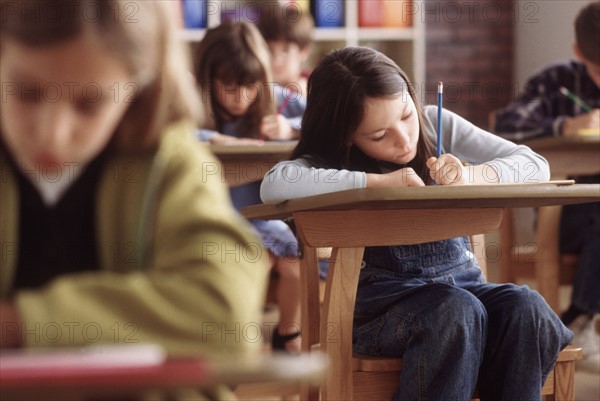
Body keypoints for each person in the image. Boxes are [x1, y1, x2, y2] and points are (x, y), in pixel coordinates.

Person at [260, 46, 573, 400]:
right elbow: (275, 184)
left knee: (526, 308)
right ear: (347, 136)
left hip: (464, 293)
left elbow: (536, 165)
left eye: (405, 115)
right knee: (455, 312)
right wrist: (377, 184)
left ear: (410, 96)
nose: (404, 139)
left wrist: (474, 175)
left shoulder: (436, 124)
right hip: (382, 312)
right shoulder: (333, 156)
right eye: (379, 135)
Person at [0, 1, 268, 398]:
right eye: (26, 93)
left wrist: (20, 324)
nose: (52, 134)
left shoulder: (169, 161)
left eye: (89, 104)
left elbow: (226, 316)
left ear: (138, 90)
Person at [493, 2, 600, 372]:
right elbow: (505, 127)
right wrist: (564, 127)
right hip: (565, 217)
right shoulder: (557, 81)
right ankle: (581, 321)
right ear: (578, 54)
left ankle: (580, 316)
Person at [193, 21, 304, 353]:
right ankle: (240, 339)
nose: (240, 98)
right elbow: (167, 131)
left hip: (264, 220)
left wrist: (291, 128)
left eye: (249, 87)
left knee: (295, 263)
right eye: (228, 86)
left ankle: (288, 335)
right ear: (207, 80)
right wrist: (212, 137)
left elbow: (326, 120)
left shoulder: (279, 101)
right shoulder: (192, 105)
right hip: (214, 222)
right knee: (249, 264)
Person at [255, 2, 314, 97]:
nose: (276, 60)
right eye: (270, 50)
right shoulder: (255, 87)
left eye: (285, 51)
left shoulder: (315, 87)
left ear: (304, 51)